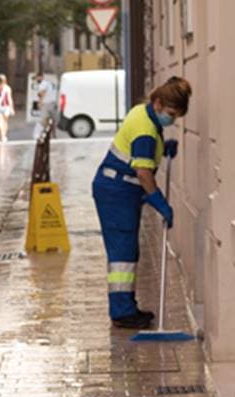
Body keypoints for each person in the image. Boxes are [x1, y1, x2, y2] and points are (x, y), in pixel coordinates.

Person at [92, 76, 191, 329]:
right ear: (158, 103)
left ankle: (125, 305)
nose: (172, 120)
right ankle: (123, 312)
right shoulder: (146, 129)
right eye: (170, 113)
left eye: (176, 116)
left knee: (126, 251)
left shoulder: (141, 112)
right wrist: (160, 202)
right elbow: (144, 173)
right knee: (122, 253)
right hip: (117, 191)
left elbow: (142, 152)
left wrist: (161, 146)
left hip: (117, 188)